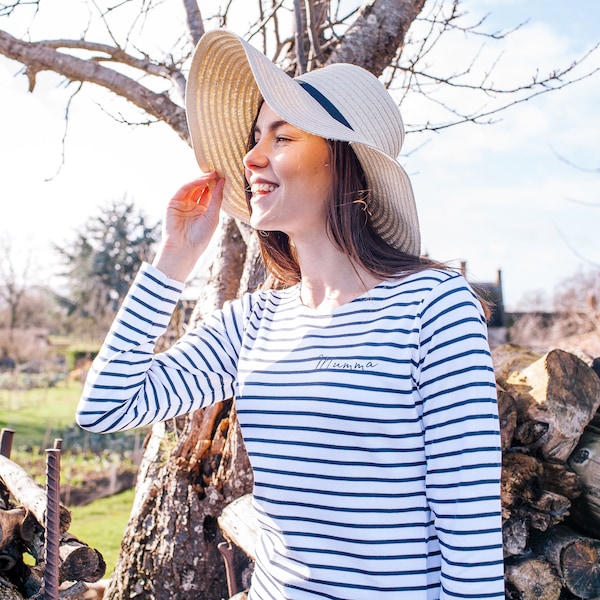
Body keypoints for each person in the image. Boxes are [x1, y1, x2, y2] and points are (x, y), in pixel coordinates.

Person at [77, 29, 505, 600]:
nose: (251, 158)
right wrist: (174, 258)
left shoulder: (434, 307)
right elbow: (106, 405)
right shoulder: (253, 321)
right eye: (256, 137)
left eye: (282, 136)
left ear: (343, 163)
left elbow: (469, 533)